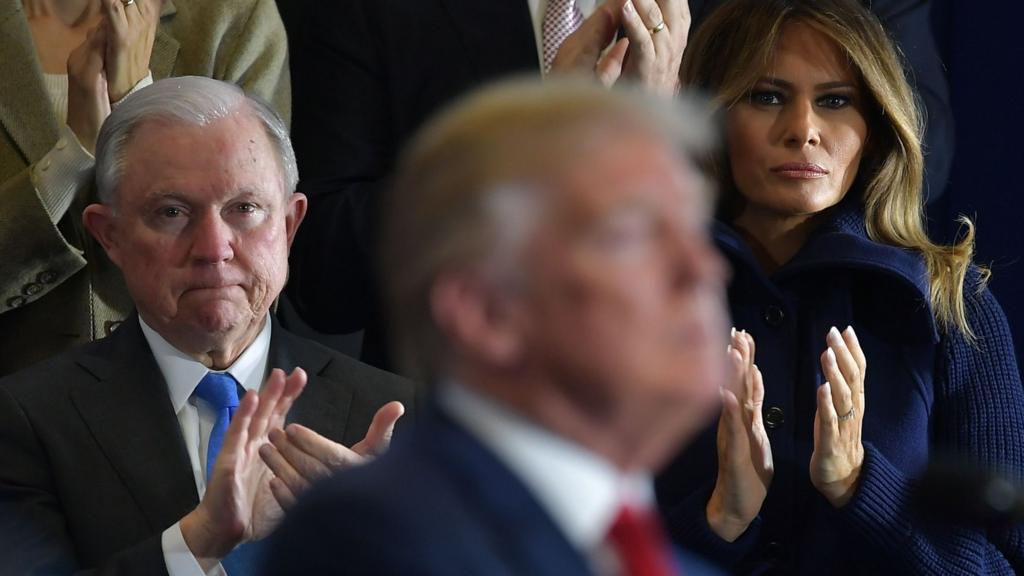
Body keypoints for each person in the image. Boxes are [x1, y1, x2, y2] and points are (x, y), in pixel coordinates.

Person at [263, 77, 728, 575]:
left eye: (694, 229)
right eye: (632, 235)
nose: (702, 270)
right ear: (487, 311)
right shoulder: (373, 542)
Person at [654, 0, 1024, 573]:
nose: (803, 131)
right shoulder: (644, 292)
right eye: (766, 96)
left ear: (875, 126)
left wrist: (859, 487)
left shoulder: (952, 302)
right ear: (712, 117)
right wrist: (719, 519)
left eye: (834, 101)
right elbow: (564, 542)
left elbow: (1006, 561)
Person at [0, 76, 416, 575]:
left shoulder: (402, 417)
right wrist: (197, 542)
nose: (214, 248)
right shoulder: (26, 421)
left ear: (289, 226)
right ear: (109, 236)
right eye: (172, 212)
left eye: (244, 209)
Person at [0, 0, 290, 375]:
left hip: (195, 385)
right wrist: (72, 156)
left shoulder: (232, 16)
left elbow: (259, 231)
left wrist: (135, 102)